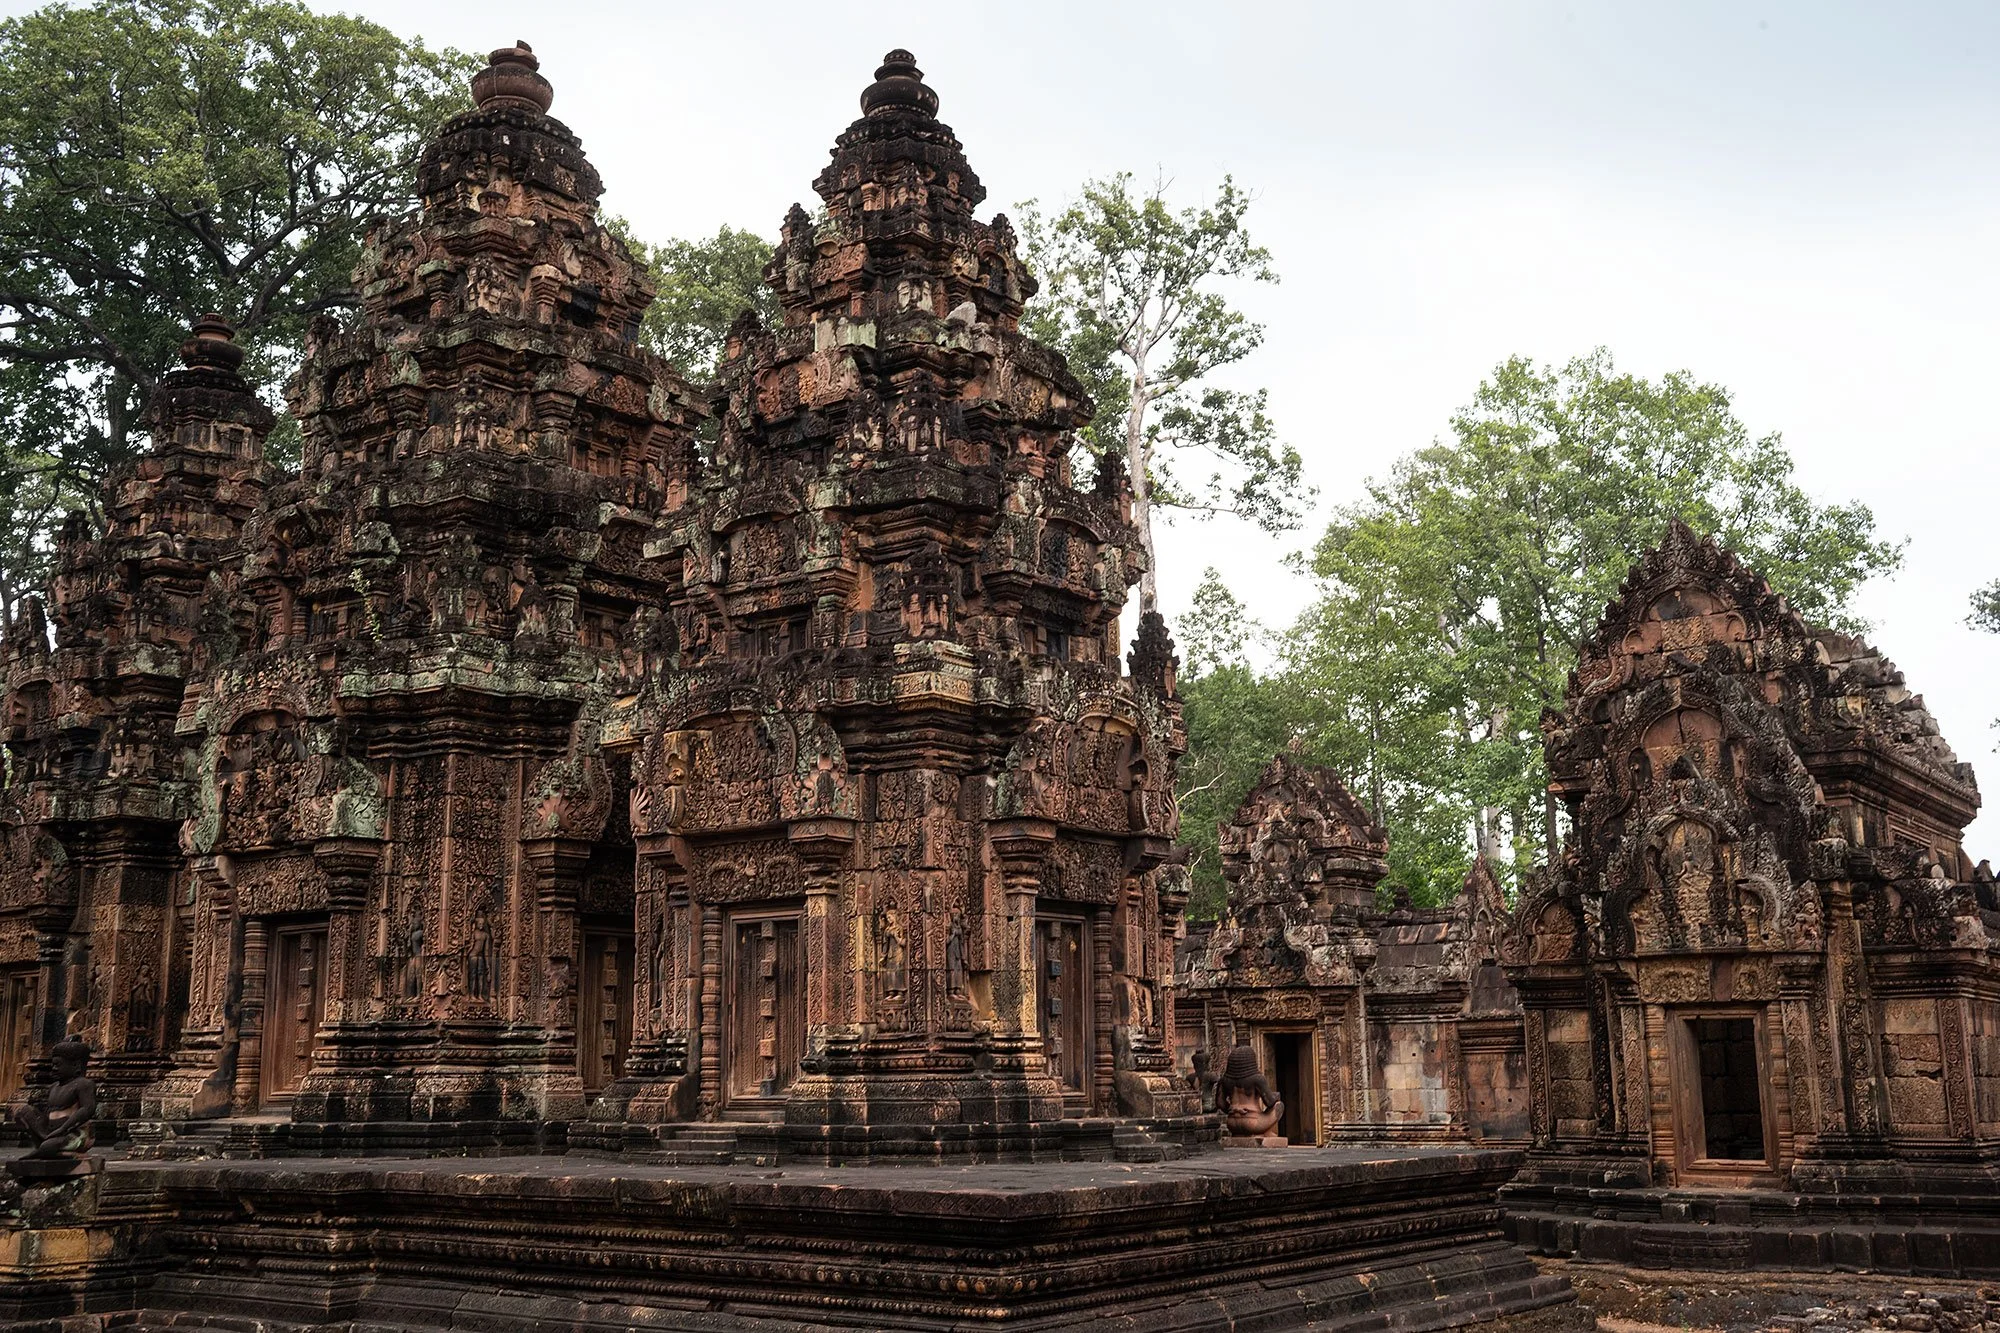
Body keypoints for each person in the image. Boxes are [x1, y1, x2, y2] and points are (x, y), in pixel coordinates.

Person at [12, 1038, 96, 1160]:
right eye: (53, 1064)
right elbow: (48, 1111)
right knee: (24, 1111)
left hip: (74, 1133)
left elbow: (87, 1109)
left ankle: (45, 1150)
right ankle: (44, 1147)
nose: (54, 1068)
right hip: (50, 1132)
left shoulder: (83, 1084)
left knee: (49, 1146)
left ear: (76, 1065)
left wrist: (63, 1128)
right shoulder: (54, 1086)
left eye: (58, 1065)